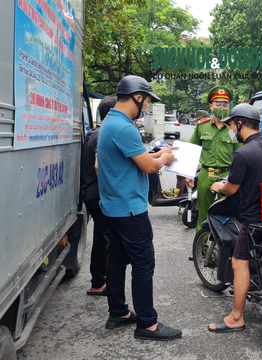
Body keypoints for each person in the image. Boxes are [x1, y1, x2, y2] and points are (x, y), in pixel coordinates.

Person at [97, 75, 182, 341]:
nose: (146, 105)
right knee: (144, 264)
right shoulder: (124, 128)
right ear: (137, 97)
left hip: (114, 207)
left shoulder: (111, 122)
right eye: (145, 100)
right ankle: (148, 323)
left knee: (119, 260)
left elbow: (132, 159)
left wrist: (157, 154)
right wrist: (165, 158)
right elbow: (147, 166)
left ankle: (119, 312)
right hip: (130, 210)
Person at [207, 104, 262, 333]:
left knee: (238, 262)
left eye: (232, 124)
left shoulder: (242, 154)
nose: (231, 128)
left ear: (240, 123)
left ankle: (236, 318)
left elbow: (232, 188)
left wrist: (218, 185)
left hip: (254, 219)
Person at [186, 86, 242, 232]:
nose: (222, 107)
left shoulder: (232, 129)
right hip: (206, 175)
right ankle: (202, 250)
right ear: (211, 106)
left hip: (227, 176)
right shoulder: (202, 126)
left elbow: (240, 154)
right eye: (218, 103)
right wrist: (189, 174)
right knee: (203, 215)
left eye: (225, 104)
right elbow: (192, 151)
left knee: (227, 216)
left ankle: (221, 250)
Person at [82, 96, 117, 296]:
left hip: (91, 193)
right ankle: (99, 283)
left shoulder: (93, 133)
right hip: (100, 194)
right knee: (106, 239)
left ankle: (98, 282)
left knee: (100, 237)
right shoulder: (102, 135)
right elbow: (99, 167)